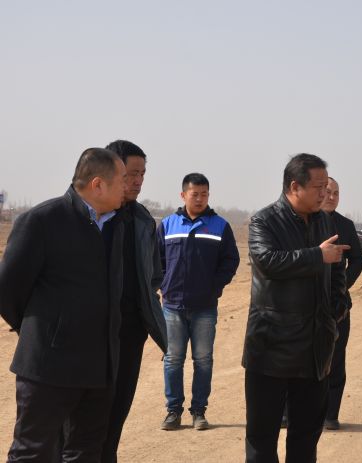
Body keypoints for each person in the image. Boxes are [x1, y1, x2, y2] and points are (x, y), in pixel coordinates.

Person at [0, 148, 126, 461]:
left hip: (99, 368)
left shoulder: (116, 225)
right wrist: (44, 330)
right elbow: (8, 290)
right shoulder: (42, 221)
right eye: (122, 179)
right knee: (33, 452)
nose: (128, 186)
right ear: (98, 184)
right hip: (49, 367)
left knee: (86, 452)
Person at [242, 153, 349, 462]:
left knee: (305, 437)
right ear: (294, 186)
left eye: (326, 187)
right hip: (271, 347)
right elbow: (267, 262)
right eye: (318, 187)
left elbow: (337, 272)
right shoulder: (264, 221)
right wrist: (317, 255)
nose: (324, 193)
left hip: (315, 349)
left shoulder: (325, 221)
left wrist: (336, 309)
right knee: (262, 438)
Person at [100, 140, 168, 462]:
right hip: (92, 334)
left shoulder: (142, 220)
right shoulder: (89, 217)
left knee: (116, 416)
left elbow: (153, 276)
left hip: (129, 334)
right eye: (131, 174)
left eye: (142, 174)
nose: (138, 181)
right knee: (81, 425)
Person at [157, 173, 239, 431]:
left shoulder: (219, 225)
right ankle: (173, 411)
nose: (200, 199)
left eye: (204, 194)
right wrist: (164, 284)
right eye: (195, 194)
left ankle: (199, 411)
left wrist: (214, 287)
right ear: (183, 195)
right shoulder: (167, 225)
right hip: (172, 306)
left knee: (203, 360)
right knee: (173, 359)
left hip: (205, 307)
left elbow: (230, 261)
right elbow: (156, 260)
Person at [320, 177, 362, 430]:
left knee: (336, 360)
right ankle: (288, 413)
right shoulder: (302, 221)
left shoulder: (345, 225)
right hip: (305, 303)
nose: (331, 197)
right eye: (327, 191)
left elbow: (358, 259)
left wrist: (342, 285)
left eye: (336, 193)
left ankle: (331, 414)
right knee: (297, 361)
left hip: (337, 306)